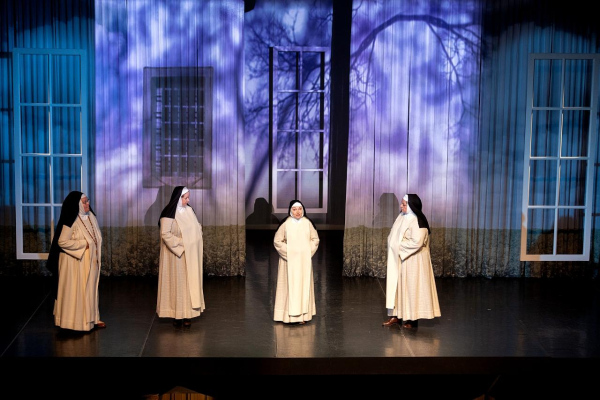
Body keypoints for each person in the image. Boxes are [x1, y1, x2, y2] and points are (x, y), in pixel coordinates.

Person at [47, 191, 105, 331]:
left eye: (87, 201)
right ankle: (76, 323)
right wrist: (83, 244)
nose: (87, 204)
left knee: (91, 290)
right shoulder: (70, 219)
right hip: (74, 263)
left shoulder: (91, 217)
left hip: (90, 260)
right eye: (84, 202)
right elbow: (62, 241)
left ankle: (92, 318)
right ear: (77, 204)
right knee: (77, 292)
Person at [382, 193, 441, 328]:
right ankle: (395, 315)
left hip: (413, 260)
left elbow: (417, 242)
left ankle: (411, 319)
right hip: (400, 259)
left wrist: (398, 247)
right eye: (402, 203)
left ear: (411, 206)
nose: (401, 206)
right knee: (397, 287)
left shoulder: (418, 220)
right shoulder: (401, 217)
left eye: (404, 204)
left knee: (411, 289)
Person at [157, 186, 205, 327]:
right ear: (178, 198)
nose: (188, 200)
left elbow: (197, 227)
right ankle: (177, 315)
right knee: (178, 285)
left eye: (188, 197)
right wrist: (183, 244)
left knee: (189, 284)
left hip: (191, 254)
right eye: (185, 198)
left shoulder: (189, 210)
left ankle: (188, 314)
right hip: (176, 256)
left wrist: (195, 239)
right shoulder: (169, 213)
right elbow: (165, 234)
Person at [273, 199, 320, 324]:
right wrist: (289, 252)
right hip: (289, 263)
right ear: (290, 211)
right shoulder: (285, 224)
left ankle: (303, 316)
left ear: (303, 210)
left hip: (304, 262)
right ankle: (288, 316)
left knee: (303, 287)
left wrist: (307, 251)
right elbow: (277, 241)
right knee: (289, 288)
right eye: (294, 209)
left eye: (299, 209)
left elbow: (315, 239)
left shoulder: (307, 223)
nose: (297, 212)